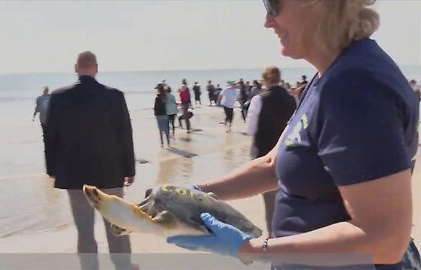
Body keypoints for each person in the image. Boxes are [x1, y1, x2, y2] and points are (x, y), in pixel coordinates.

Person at [167, 1, 419, 269]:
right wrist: (198, 194)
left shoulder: (355, 86)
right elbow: (273, 165)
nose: (268, 21)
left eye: (274, 5)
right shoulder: (329, 75)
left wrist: (250, 248)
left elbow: (385, 241)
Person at [45, 51, 137, 270]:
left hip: (74, 174)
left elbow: (50, 135)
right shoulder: (114, 96)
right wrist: (130, 168)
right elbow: (125, 133)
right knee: (116, 225)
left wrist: (52, 168)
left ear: (76, 68)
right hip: (110, 171)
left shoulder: (58, 97)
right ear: (96, 69)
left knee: (84, 228)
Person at [246, 66, 296, 236]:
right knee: (289, 198)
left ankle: (274, 240)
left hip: (264, 156)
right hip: (289, 154)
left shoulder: (259, 100)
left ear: (264, 80)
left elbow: (250, 129)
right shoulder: (290, 98)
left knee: (270, 203)